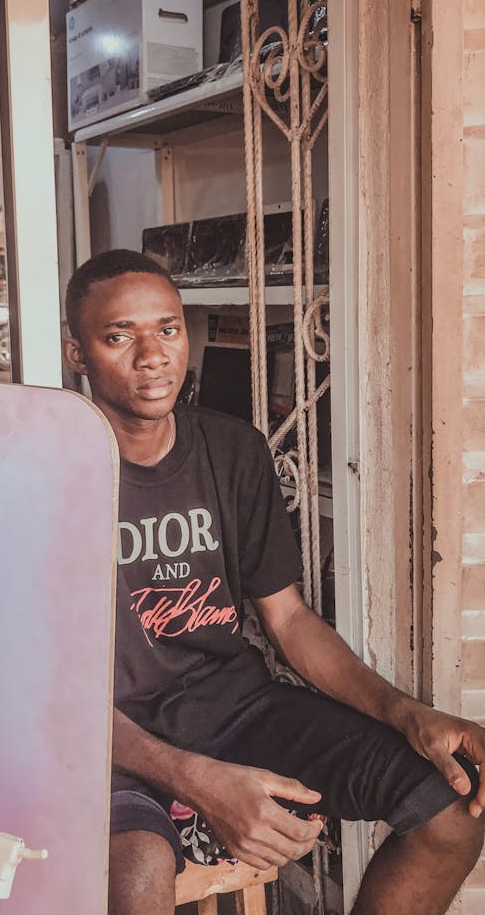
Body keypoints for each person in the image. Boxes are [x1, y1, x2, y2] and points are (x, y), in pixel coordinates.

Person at [61, 250, 485, 915]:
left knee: (452, 811)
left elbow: (288, 621)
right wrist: (196, 781)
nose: (152, 357)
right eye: (120, 336)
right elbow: (46, 686)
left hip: (237, 712)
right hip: (114, 737)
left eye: (168, 329)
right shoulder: (44, 472)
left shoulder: (233, 451)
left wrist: (411, 715)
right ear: (77, 352)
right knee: (137, 869)